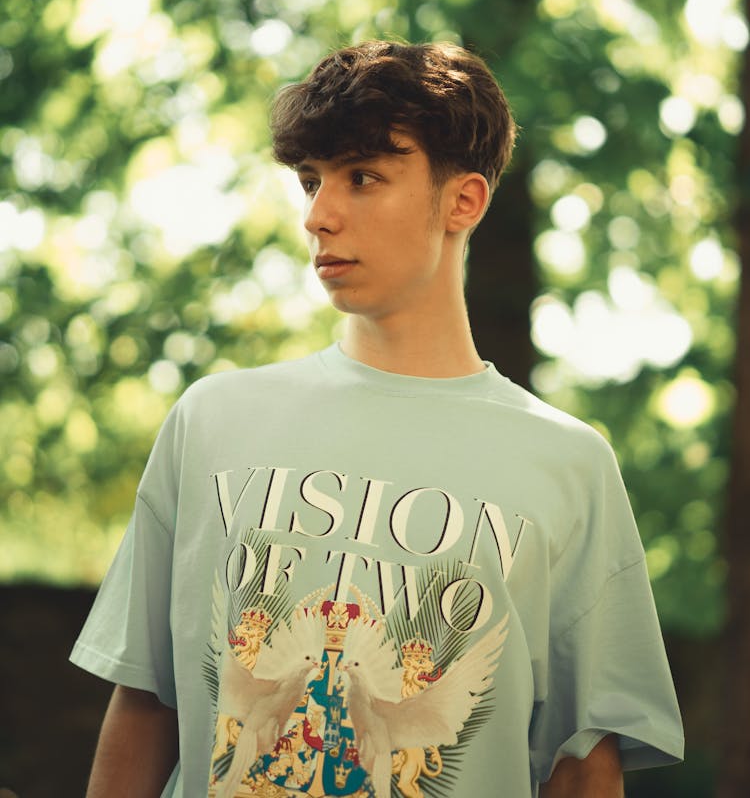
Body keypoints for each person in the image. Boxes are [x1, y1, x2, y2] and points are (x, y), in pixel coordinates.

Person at [71, 40, 684, 798]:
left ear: (463, 201)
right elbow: (144, 702)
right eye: (309, 181)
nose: (319, 216)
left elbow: (584, 767)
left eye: (363, 178)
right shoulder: (213, 421)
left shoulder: (568, 466)